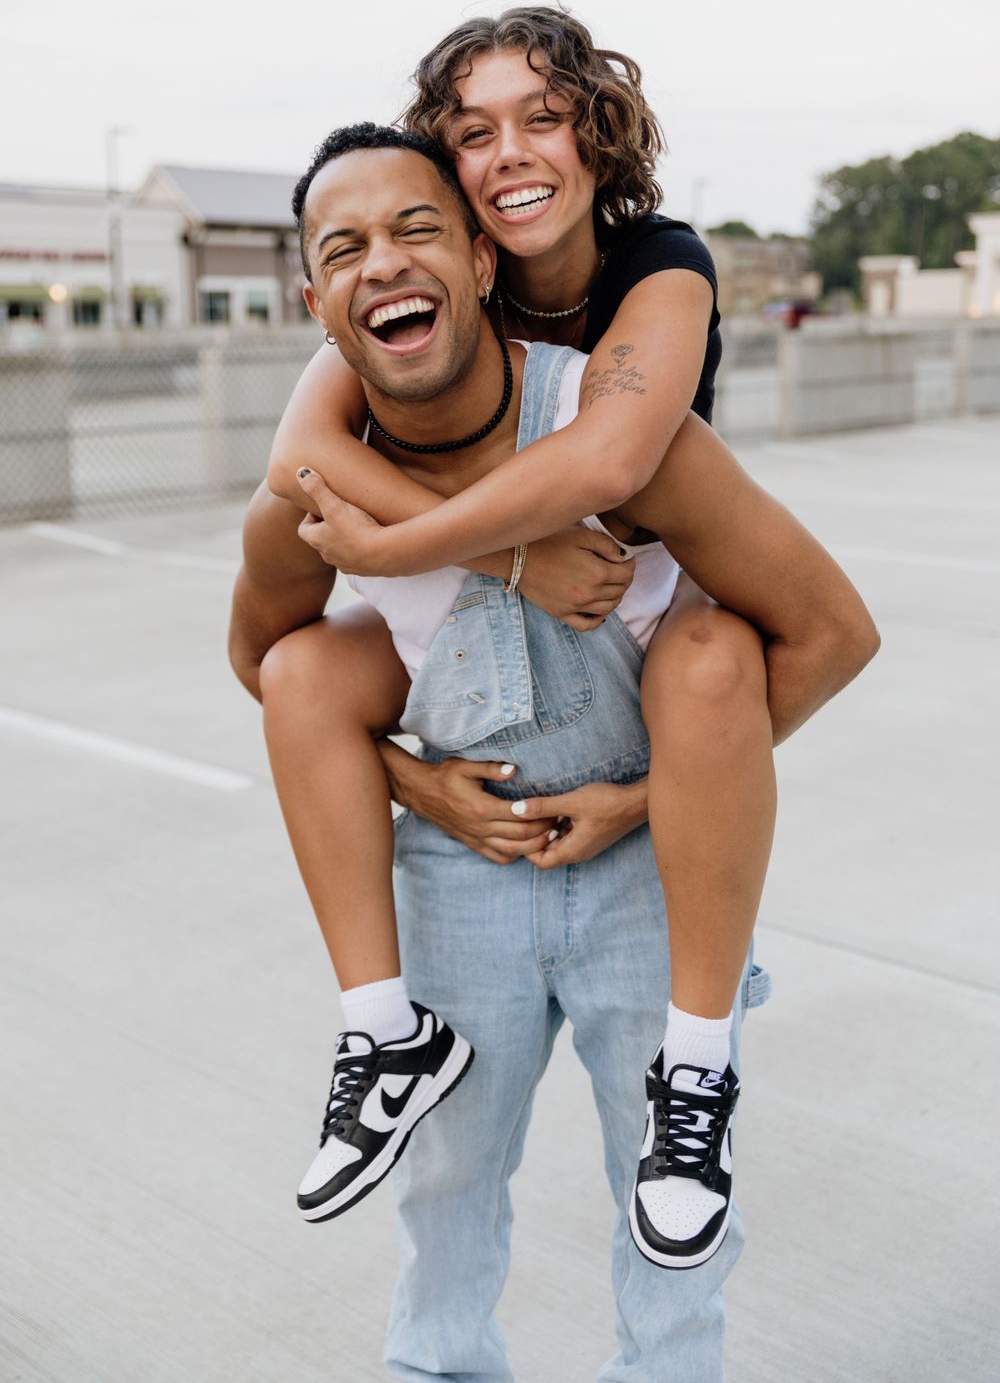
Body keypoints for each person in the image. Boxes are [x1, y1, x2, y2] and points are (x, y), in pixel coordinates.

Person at [230, 125, 878, 1377]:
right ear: (316, 306)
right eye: (344, 249)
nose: (383, 263)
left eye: (417, 229)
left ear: (482, 260)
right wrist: (415, 783)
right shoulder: (315, 494)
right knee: (444, 1191)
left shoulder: (609, 430)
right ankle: (391, 1078)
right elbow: (265, 666)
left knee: (669, 1203)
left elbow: (831, 632)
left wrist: (646, 801)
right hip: (462, 871)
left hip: (649, 873)